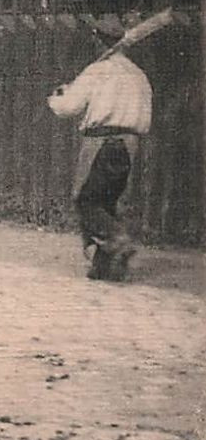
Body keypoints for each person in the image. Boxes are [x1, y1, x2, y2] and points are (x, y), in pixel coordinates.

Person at [48, 16, 152, 282]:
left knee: (86, 200)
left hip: (101, 142)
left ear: (97, 40)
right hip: (130, 144)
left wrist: (57, 97)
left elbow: (69, 107)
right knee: (107, 201)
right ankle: (104, 267)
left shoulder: (97, 71)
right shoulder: (138, 75)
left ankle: (117, 239)